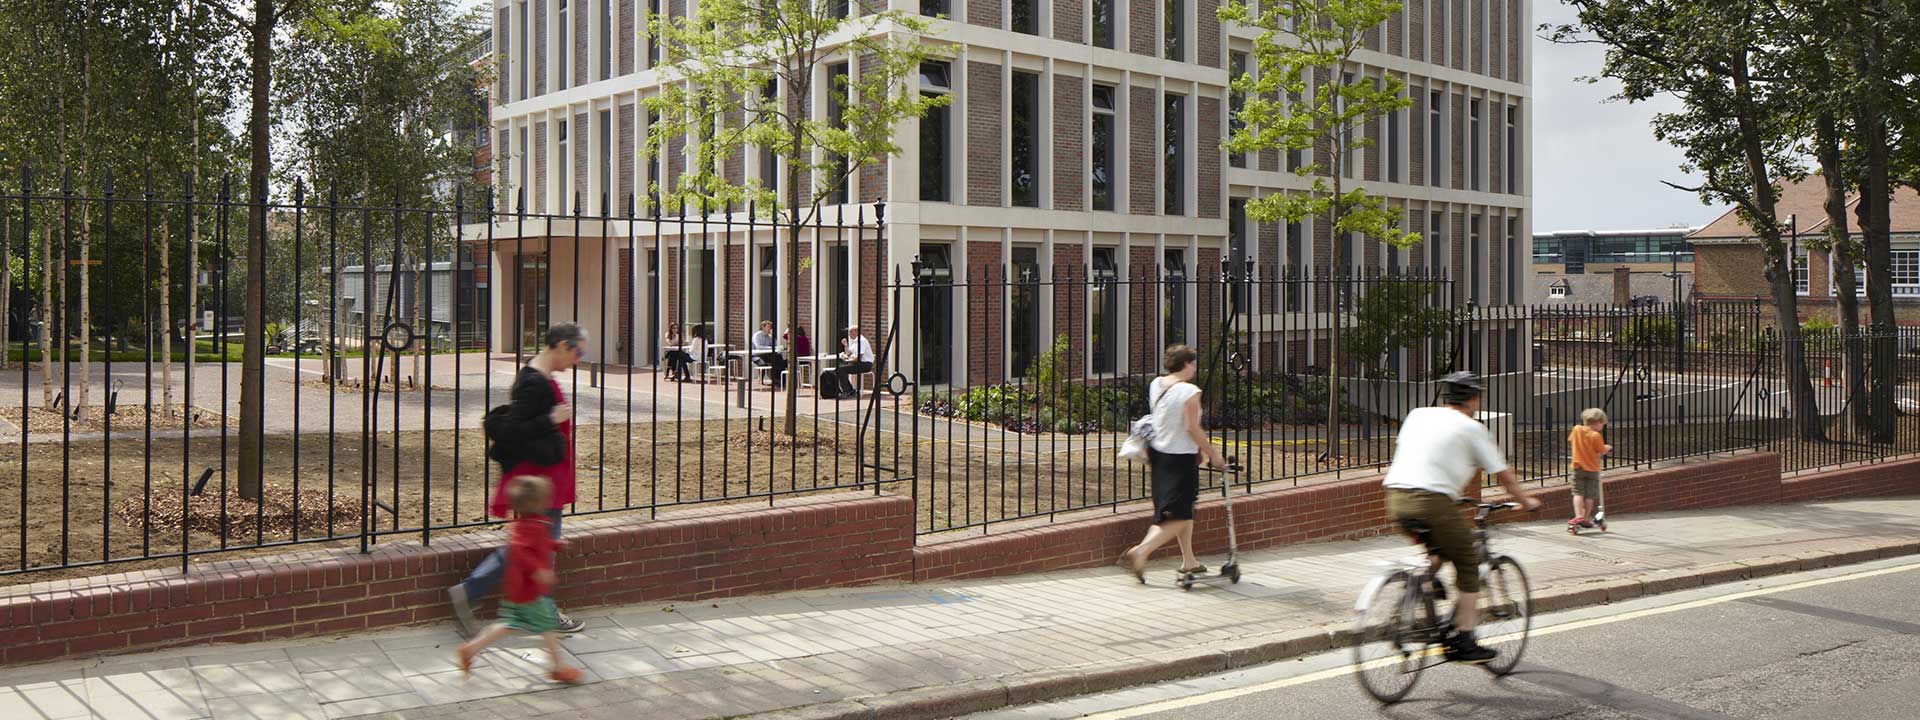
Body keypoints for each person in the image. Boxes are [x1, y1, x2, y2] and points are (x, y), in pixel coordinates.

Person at [1381, 371, 1540, 664]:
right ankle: (1464, 641)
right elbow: (1504, 475)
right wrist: (1526, 501)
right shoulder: (1472, 428)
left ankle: (1416, 594)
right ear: (1474, 398)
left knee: (1439, 547)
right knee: (1467, 560)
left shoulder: (1417, 415)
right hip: (1432, 502)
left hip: (1396, 498)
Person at [449, 323, 587, 638]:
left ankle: (522, 608)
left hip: (547, 479)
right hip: (539, 482)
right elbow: (511, 430)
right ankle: (474, 592)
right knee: (534, 545)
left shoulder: (539, 378)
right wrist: (549, 420)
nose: (577, 359)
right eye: (577, 352)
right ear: (562, 345)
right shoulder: (533, 382)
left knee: (535, 545)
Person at [455, 475, 586, 685]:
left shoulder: (528, 524)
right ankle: (559, 667)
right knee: (548, 626)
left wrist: (554, 544)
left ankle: (470, 649)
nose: (549, 501)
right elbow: (519, 551)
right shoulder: (532, 526)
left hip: (517, 590)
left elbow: (535, 545)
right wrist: (537, 571)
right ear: (538, 503)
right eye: (546, 498)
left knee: (508, 623)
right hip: (531, 591)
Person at [1118, 345, 1228, 582]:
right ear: (1187, 364)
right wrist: (1213, 454)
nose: (1194, 368)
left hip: (1158, 455)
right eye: (1193, 363)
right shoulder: (1190, 391)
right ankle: (1140, 552)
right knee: (1176, 516)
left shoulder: (1156, 384)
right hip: (1181, 459)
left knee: (1180, 511)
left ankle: (1189, 561)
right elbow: (1192, 428)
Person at [1568, 408, 1611, 530]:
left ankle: (1578, 516)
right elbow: (1601, 450)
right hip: (1592, 469)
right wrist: (1607, 447)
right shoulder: (1596, 435)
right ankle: (1586, 518)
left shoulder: (1576, 429)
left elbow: (1572, 440)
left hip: (1578, 467)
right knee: (1590, 495)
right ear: (1597, 422)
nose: (1603, 425)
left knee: (1578, 493)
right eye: (1602, 423)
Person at [831, 325, 875, 396]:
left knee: (841, 370)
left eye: (851, 332)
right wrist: (845, 345)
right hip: (858, 363)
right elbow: (848, 353)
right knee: (839, 369)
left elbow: (858, 358)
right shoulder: (856, 341)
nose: (849, 334)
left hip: (865, 364)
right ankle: (848, 390)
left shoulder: (861, 341)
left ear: (856, 332)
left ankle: (848, 391)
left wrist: (847, 360)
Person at [751, 320, 788, 388]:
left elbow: (775, 345)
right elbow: (759, 347)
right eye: (768, 327)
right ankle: (771, 380)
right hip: (756, 355)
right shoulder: (757, 335)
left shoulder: (769, 336)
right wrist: (771, 347)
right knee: (764, 363)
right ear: (763, 327)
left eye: (770, 327)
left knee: (778, 358)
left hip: (766, 355)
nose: (769, 328)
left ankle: (779, 380)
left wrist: (778, 346)